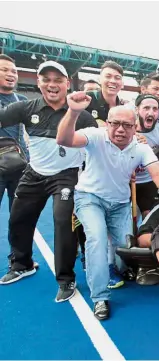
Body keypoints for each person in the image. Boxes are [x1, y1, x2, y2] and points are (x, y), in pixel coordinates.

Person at [56, 92, 159, 321]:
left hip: (121, 204)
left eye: (126, 125)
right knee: (97, 238)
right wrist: (73, 111)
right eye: (115, 124)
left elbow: (156, 172)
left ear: (135, 128)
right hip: (89, 198)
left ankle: (116, 267)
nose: (120, 129)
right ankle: (100, 297)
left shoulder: (141, 148)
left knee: (124, 248)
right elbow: (64, 140)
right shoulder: (94, 136)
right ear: (107, 124)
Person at [0, 61, 97, 304]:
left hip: (66, 175)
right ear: (38, 82)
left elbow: (99, 144)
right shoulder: (25, 107)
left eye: (57, 80)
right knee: (18, 218)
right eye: (46, 79)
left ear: (67, 84)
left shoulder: (82, 115)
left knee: (63, 222)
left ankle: (66, 279)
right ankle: (22, 264)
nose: (52, 85)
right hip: (34, 173)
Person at [0, 54, 29, 267]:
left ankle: (19, 259)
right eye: (5, 70)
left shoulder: (23, 101)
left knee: (19, 216)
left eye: (14, 71)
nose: (11, 75)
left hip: (20, 166)